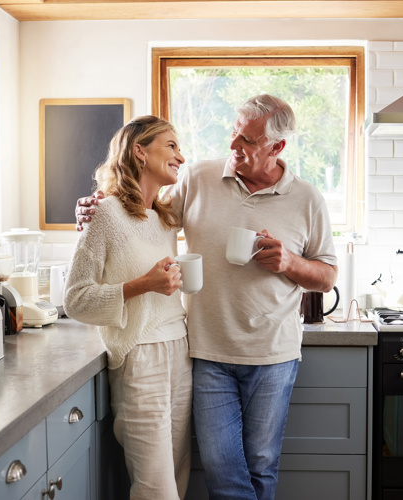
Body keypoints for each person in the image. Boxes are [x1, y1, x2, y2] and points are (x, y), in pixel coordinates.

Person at [76, 94, 338, 500]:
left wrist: (289, 262)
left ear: (277, 147)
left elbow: (326, 276)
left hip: (274, 356)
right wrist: (95, 206)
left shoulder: (307, 199)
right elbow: (144, 215)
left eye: (247, 140)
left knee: (261, 468)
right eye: (233, 132)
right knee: (222, 472)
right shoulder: (197, 179)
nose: (234, 144)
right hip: (206, 353)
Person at [63, 115, 192, 500]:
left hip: (180, 353)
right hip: (140, 358)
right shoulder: (104, 214)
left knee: (178, 479)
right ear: (139, 151)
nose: (180, 157)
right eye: (171, 146)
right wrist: (142, 285)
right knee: (157, 491)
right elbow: (76, 299)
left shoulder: (165, 218)